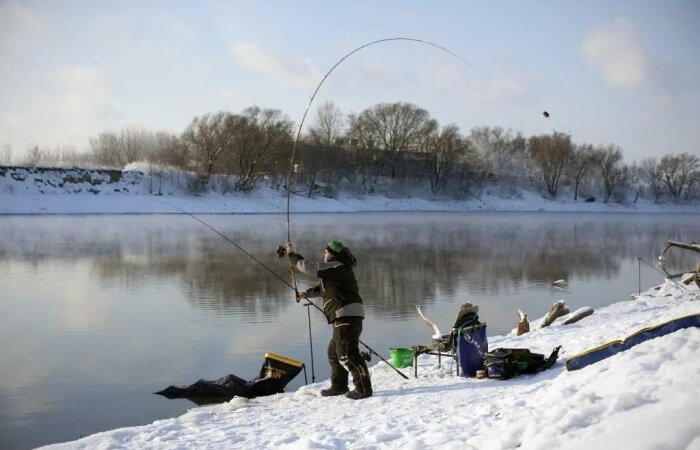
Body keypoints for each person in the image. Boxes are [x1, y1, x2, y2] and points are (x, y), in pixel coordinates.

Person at [286, 240, 373, 400]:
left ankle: (363, 389)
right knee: (334, 352)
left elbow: (307, 267)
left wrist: (292, 255)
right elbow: (325, 289)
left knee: (346, 355)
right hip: (346, 316)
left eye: (326, 251)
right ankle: (339, 386)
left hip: (346, 315)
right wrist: (306, 294)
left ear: (334, 255)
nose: (323, 254)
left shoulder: (336, 266)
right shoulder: (337, 271)